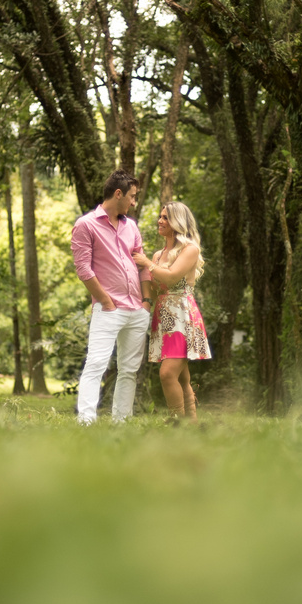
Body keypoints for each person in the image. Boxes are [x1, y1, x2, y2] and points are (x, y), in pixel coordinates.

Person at [70, 170, 153, 424]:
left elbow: (143, 265)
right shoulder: (86, 225)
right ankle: (85, 421)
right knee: (96, 363)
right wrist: (105, 301)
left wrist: (146, 302)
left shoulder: (132, 226)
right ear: (118, 194)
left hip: (137, 310)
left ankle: (122, 421)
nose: (133, 202)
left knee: (129, 370)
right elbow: (83, 269)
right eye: (132, 197)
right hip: (108, 309)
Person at [132, 202, 211, 421]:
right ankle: (191, 426)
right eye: (160, 216)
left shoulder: (190, 249)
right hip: (164, 317)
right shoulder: (158, 256)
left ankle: (178, 423)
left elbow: (172, 277)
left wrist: (146, 263)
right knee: (183, 378)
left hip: (183, 318)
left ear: (178, 222)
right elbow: (158, 287)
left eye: (165, 217)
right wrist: (145, 293)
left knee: (167, 374)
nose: (160, 221)